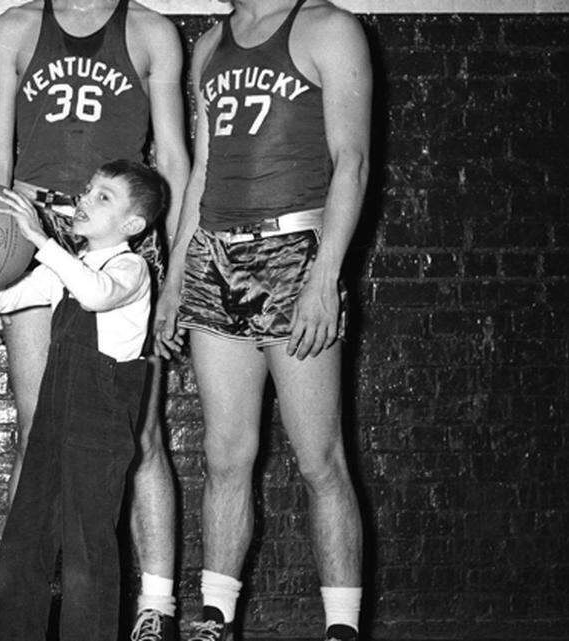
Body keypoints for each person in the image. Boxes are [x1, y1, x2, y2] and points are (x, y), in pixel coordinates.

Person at [153, 0, 372, 639]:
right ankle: (215, 618)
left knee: (319, 458)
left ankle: (342, 626)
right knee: (225, 456)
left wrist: (325, 277)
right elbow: (199, 176)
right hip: (215, 254)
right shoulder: (211, 44)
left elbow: (351, 163)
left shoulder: (329, 28)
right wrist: (175, 281)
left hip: (293, 253)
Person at [0, 2, 190, 637]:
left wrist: (172, 273)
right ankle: (38, 610)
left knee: (137, 436)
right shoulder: (16, 28)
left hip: (116, 235)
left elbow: (173, 162)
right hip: (33, 225)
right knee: (39, 430)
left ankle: (155, 609)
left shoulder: (149, 31)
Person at [0, 160, 166, 641]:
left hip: (99, 422)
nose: (84, 199)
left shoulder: (131, 268)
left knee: (88, 552)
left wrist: (43, 242)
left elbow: (96, 296)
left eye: (103, 196)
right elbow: (4, 300)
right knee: (26, 539)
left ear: (131, 225)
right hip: (54, 416)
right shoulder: (74, 266)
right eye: (87, 189)